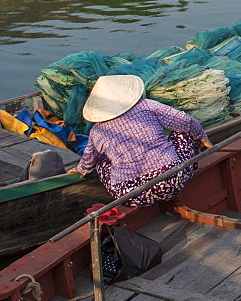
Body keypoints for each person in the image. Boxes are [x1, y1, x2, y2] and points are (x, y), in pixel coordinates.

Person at [66, 75, 211, 208]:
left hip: (130, 194)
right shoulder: (146, 105)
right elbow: (184, 120)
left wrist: (81, 170)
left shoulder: (96, 131)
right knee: (183, 133)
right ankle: (192, 165)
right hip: (171, 180)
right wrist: (203, 138)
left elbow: (89, 158)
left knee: (101, 165)